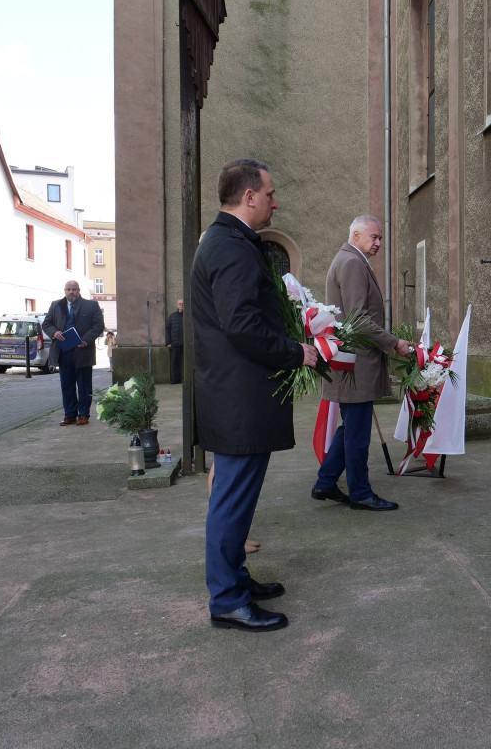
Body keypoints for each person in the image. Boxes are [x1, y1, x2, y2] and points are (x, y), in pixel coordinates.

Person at [192, 158, 318, 633]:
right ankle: (226, 599)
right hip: (237, 396)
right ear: (248, 197)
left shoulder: (230, 241)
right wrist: (295, 352)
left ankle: (236, 580)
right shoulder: (231, 246)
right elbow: (242, 324)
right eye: (269, 193)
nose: (274, 200)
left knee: (237, 500)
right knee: (230, 501)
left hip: (236, 393)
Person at [312, 214, 413, 511]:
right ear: (356, 236)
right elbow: (359, 319)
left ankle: (326, 482)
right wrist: (394, 343)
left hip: (351, 362)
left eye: (380, 237)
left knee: (351, 427)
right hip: (356, 364)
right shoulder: (353, 263)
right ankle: (360, 493)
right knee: (356, 433)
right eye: (374, 237)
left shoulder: (348, 259)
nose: (379, 243)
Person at [42, 281, 105, 426]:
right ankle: (70, 414)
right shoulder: (56, 305)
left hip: (83, 351)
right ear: (64, 290)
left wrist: (85, 340)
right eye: (68, 289)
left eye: (74, 289)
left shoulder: (91, 305)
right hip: (63, 352)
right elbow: (46, 324)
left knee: (84, 385)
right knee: (67, 385)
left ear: (79, 290)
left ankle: (83, 414)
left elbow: (98, 326)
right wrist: (54, 332)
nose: (71, 292)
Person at [166, 299, 184, 384]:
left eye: (183, 303)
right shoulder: (172, 316)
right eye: (180, 303)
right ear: (177, 305)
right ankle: (176, 379)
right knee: (175, 362)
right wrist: (168, 342)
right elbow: (168, 330)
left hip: (187, 344)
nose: (181, 305)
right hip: (176, 343)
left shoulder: (189, 315)